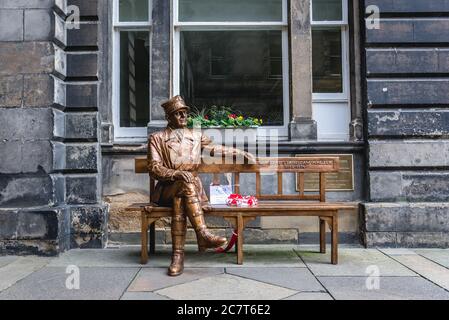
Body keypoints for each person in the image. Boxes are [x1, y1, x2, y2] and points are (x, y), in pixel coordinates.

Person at [147, 95, 255, 276]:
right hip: (166, 189)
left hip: (188, 191)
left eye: (185, 113)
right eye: (178, 114)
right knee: (184, 184)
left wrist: (241, 152)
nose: (183, 117)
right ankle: (203, 234)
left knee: (181, 197)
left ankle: (178, 256)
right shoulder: (157, 138)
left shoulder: (195, 136)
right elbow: (154, 168)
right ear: (169, 117)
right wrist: (175, 173)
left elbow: (216, 149)